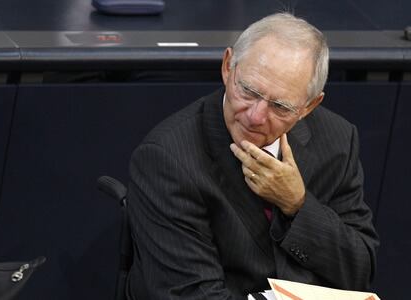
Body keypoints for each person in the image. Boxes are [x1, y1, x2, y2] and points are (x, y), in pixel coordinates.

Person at [125, 13, 379, 299]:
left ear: (309, 107)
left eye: (280, 106)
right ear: (227, 67)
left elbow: (359, 271)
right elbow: (193, 294)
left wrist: (298, 205)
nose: (255, 116)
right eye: (248, 90)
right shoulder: (167, 159)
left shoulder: (337, 140)